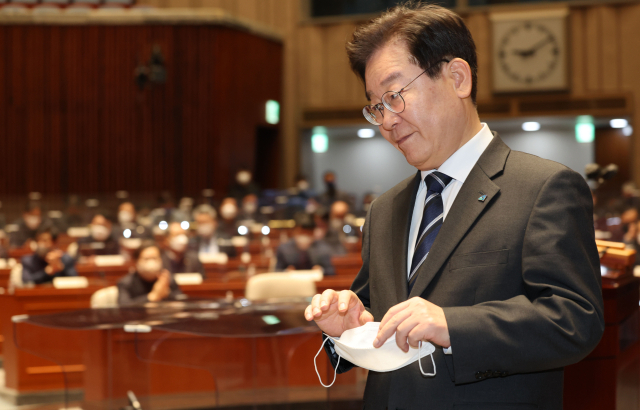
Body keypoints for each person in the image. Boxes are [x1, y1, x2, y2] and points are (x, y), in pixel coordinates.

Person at [305, 4, 604, 409]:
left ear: (457, 78)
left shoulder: (543, 188)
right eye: (376, 106)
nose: (386, 121)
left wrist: (454, 325)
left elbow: (575, 320)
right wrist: (346, 330)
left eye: (394, 96)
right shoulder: (385, 209)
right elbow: (376, 317)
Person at [117, 244, 183, 306]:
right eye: (146, 259)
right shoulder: (126, 283)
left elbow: (181, 302)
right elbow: (123, 308)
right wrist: (153, 296)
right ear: (136, 262)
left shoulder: (167, 279)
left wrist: (168, 294)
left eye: (154, 258)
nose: (151, 262)